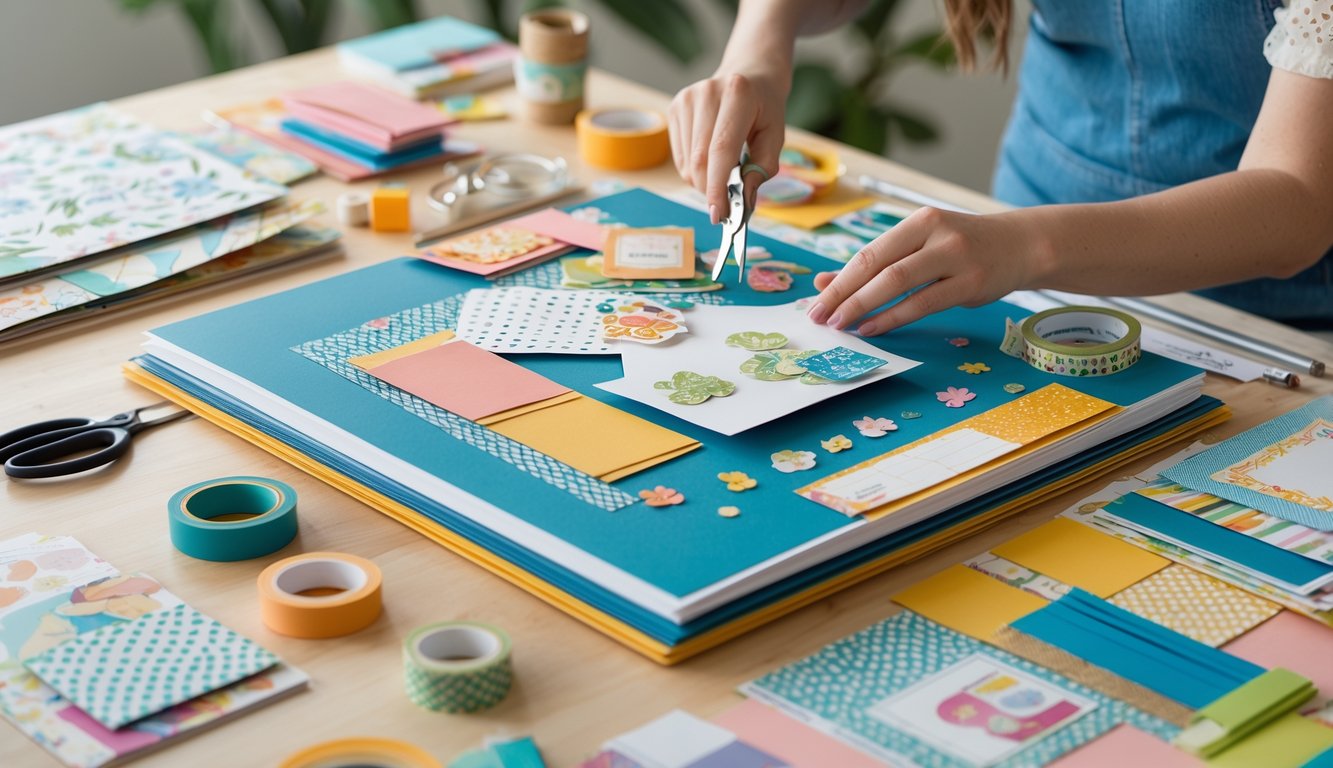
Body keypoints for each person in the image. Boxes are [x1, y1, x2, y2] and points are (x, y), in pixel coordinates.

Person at [668, 0, 1333, 335]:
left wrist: (1022, 245)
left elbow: (1295, 204)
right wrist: (758, 49)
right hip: (1022, 276)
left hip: (1279, 323)